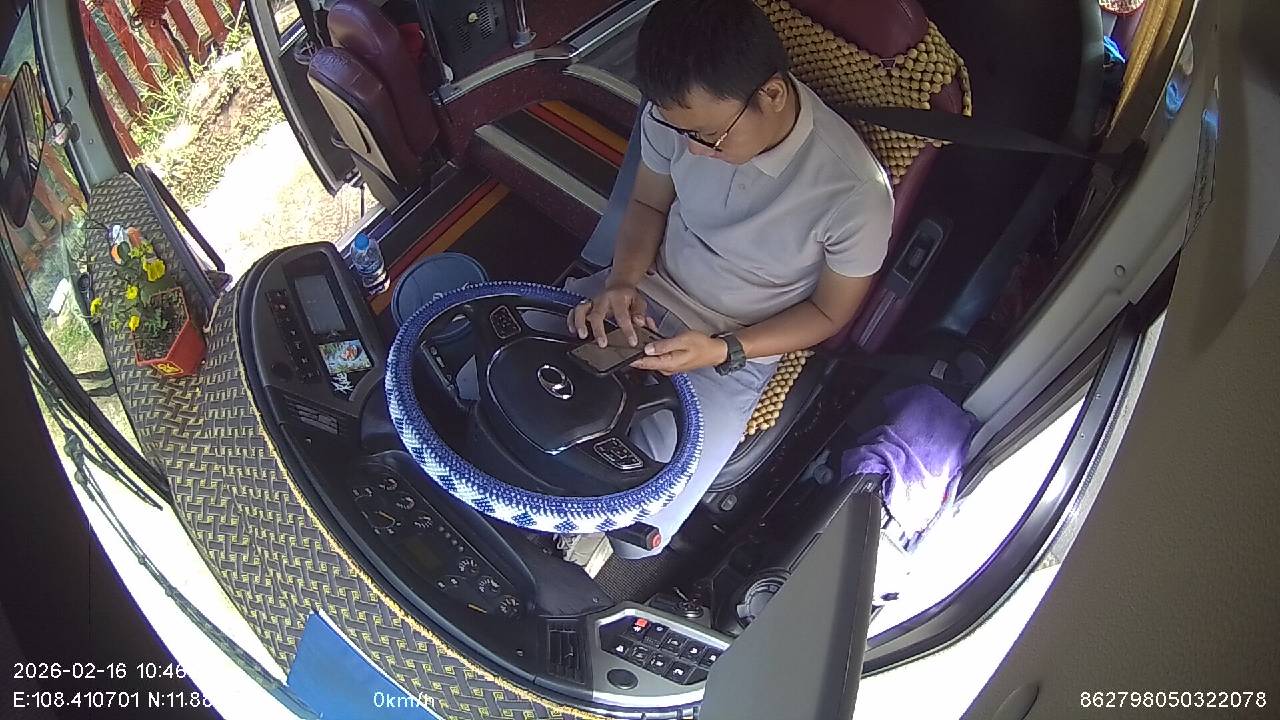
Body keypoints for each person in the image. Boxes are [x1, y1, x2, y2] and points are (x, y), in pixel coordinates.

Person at [563, 0, 894, 562]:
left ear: (772, 94)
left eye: (710, 137)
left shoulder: (856, 196)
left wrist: (722, 349)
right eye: (681, 132)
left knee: (638, 526)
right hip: (645, 288)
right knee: (500, 374)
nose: (693, 150)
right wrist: (621, 282)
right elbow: (647, 203)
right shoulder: (677, 116)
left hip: (733, 347)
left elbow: (829, 313)